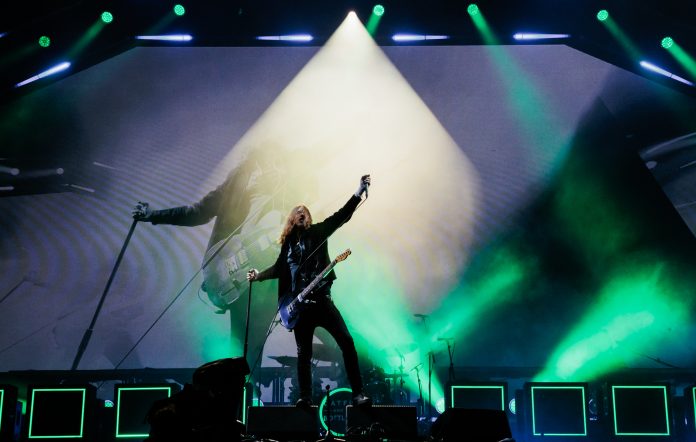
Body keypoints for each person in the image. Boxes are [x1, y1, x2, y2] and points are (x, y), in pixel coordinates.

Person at [246, 174, 372, 408]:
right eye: (298, 211)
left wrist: (357, 192)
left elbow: (340, 216)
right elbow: (278, 269)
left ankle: (358, 394)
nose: (302, 212)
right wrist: (257, 276)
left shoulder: (318, 232)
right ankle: (305, 397)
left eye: (305, 210)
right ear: (291, 219)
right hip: (299, 307)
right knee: (303, 353)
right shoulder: (288, 245)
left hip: (322, 301)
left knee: (346, 341)